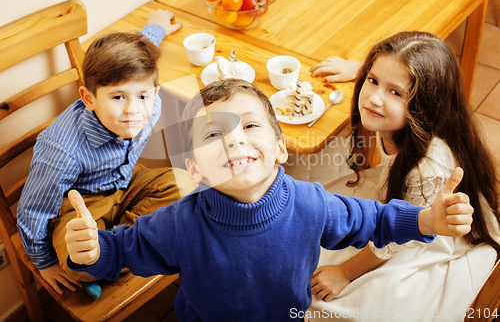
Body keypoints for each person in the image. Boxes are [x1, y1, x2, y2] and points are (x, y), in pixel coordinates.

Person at [65, 79, 473, 321]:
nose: (234, 138)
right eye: (212, 134)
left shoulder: (311, 203)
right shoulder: (178, 223)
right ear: (193, 169)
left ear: (280, 149)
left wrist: (424, 221)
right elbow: (121, 249)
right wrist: (92, 251)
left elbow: (373, 220)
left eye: (249, 125)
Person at [307, 31, 500, 321]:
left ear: (424, 105)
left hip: (423, 231)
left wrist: (344, 273)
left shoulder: (428, 167)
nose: (373, 98)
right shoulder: (403, 119)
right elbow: (390, 74)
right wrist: (361, 70)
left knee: (337, 304)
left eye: (395, 92)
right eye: (372, 81)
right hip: (407, 202)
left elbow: (400, 238)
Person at [16, 9, 196, 298]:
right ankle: (107, 255)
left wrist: (156, 29)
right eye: (117, 97)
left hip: (125, 182)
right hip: (81, 202)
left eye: (142, 96)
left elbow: (141, 53)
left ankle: (114, 248)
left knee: (188, 186)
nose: (132, 110)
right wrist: (44, 263)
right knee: (80, 264)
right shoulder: (62, 149)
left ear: (155, 92)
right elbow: (33, 211)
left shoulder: (150, 107)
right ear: (89, 98)